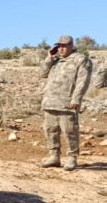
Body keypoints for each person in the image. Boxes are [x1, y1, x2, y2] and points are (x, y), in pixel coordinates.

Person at [39, 35, 93, 171]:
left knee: (70, 131)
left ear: (71, 45)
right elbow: (42, 73)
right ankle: (54, 156)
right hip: (50, 101)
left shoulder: (80, 60)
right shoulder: (55, 60)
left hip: (67, 103)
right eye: (59, 46)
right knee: (50, 130)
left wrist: (76, 98)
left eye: (64, 45)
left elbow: (83, 81)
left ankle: (72, 158)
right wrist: (49, 58)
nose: (61, 48)